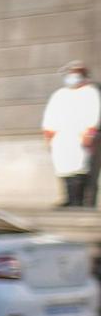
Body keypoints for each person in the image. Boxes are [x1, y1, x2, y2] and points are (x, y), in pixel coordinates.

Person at [43, 61, 99, 208]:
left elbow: (94, 114)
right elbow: (50, 116)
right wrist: (48, 134)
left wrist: (89, 133)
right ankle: (68, 198)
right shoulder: (60, 94)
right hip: (61, 138)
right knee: (63, 167)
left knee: (79, 167)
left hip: (80, 137)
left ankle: (78, 200)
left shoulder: (90, 92)